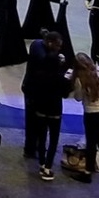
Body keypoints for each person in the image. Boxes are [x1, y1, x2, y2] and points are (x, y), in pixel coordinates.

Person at [22, 30, 69, 181]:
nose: (59, 49)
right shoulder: (57, 75)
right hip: (53, 109)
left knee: (40, 133)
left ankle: (40, 159)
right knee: (52, 138)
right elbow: (66, 92)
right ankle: (46, 165)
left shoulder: (37, 49)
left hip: (39, 104)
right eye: (57, 46)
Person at [72, 53, 99, 179]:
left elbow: (78, 98)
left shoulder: (80, 80)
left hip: (92, 114)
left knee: (91, 141)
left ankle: (88, 171)